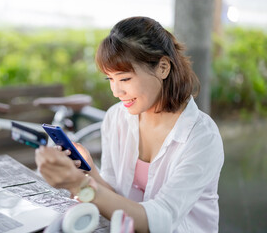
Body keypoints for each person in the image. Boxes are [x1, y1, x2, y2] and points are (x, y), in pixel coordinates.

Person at [35, 16, 224, 233]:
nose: (116, 92)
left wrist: (81, 186)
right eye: (110, 79)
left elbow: (161, 219)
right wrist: (89, 172)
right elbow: (116, 197)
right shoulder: (116, 118)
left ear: (163, 67)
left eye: (124, 79)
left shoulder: (201, 137)